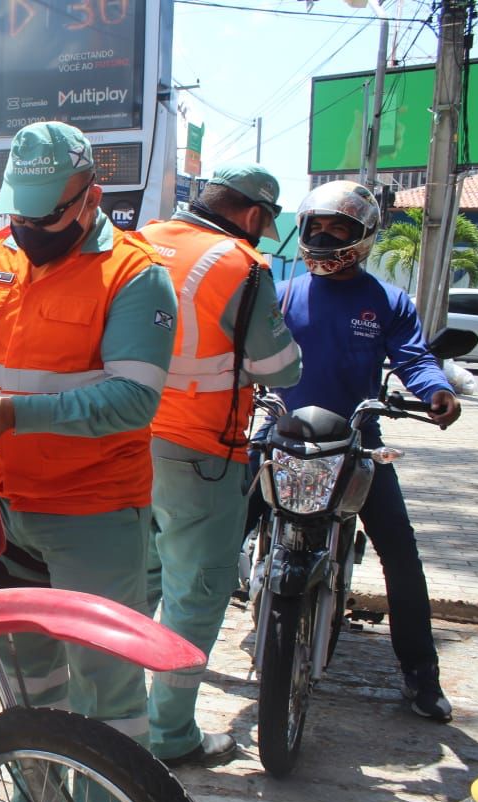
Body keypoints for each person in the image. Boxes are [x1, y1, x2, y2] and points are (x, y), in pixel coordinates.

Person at [0, 121, 177, 775]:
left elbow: (134, 401)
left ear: (90, 199)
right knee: (24, 682)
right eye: (19, 211)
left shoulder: (135, 277)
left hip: (94, 513)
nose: (29, 228)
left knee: (108, 695)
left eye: (46, 216)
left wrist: (14, 415)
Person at [255, 179, 460, 722]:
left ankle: (421, 676)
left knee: (401, 553)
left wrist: (435, 390)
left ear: (364, 237)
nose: (323, 237)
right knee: (219, 529)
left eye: (338, 229)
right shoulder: (281, 294)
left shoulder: (389, 302)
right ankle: (186, 657)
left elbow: (414, 358)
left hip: (355, 442)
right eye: (315, 227)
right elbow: (243, 352)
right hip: (283, 436)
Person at [135, 165, 302, 767]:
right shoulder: (241, 265)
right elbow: (279, 367)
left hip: (121, 443)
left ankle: (119, 716)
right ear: (254, 215)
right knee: (195, 594)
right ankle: (170, 734)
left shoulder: (139, 240)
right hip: (201, 453)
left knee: (139, 585)